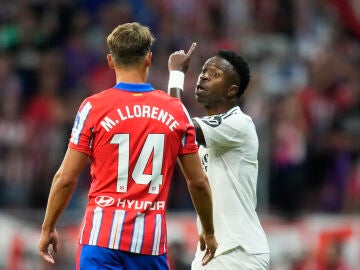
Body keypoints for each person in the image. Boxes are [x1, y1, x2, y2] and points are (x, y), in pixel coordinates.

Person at [38, 23, 217, 270]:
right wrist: (208, 230)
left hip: (99, 241)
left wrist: (48, 227)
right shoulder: (175, 111)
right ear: (149, 59)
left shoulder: (93, 108)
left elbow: (66, 177)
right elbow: (198, 182)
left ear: (111, 61)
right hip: (149, 246)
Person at [168, 43, 270, 269]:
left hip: (238, 251)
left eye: (214, 74)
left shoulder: (239, 124)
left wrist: (176, 76)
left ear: (232, 90)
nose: (203, 77)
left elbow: (176, 127)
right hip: (212, 250)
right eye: (204, 71)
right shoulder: (209, 136)